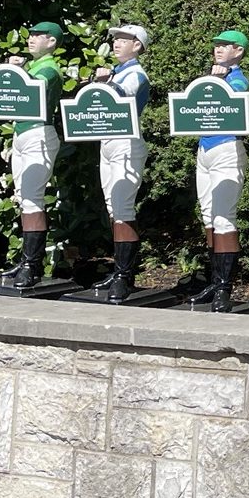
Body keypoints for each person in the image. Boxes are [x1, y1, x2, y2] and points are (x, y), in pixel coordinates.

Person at [186, 30, 249, 313]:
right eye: (216, 46)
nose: (219, 49)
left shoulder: (236, 79)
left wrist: (219, 80)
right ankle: (215, 281)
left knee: (224, 218)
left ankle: (225, 287)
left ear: (239, 51)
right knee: (209, 217)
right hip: (205, 149)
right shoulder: (213, 78)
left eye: (225, 45)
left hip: (227, 149)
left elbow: (236, 99)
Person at [89, 24, 152, 303]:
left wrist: (106, 84)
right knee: (113, 208)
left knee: (123, 208)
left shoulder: (135, 73)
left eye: (124, 40)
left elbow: (122, 97)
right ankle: (119, 271)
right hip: (109, 141)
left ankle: (124, 276)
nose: (116, 43)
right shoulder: (117, 71)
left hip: (127, 141)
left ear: (137, 46)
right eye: (115, 39)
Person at [2, 21, 65, 287]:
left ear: (52, 42)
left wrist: (15, 71)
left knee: (32, 199)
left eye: (39, 35)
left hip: (39, 133)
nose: (31, 39)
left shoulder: (49, 69)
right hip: (22, 134)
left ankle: (31, 264)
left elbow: (31, 88)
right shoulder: (33, 66)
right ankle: (27, 261)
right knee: (24, 197)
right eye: (31, 35)